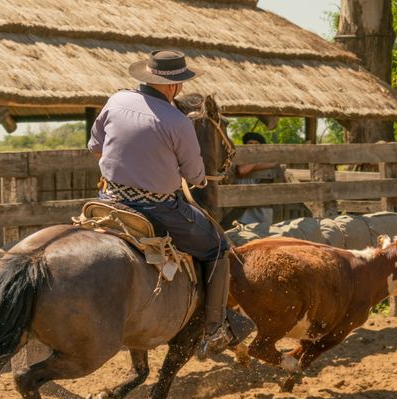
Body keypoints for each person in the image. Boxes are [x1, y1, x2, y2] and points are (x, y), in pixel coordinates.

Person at [87, 49, 248, 356]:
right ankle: (214, 329)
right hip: (156, 209)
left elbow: (96, 147)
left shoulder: (116, 100)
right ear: (174, 86)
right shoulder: (178, 121)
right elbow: (195, 175)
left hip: (108, 200)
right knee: (218, 248)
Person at [234, 132, 279, 226]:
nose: (253, 146)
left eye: (256, 144)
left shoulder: (266, 159)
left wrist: (255, 161)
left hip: (261, 210)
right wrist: (257, 159)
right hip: (242, 211)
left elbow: (274, 162)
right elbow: (242, 170)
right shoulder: (239, 158)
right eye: (250, 143)